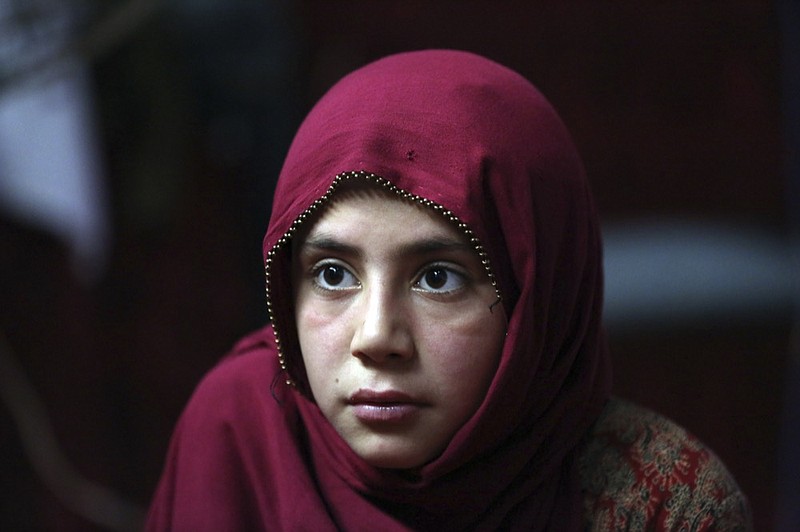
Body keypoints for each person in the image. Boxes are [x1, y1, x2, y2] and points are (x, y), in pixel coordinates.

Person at [146, 50, 751, 530]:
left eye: (438, 278)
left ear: (539, 308)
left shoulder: (664, 505)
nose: (377, 338)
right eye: (333, 274)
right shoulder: (238, 435)